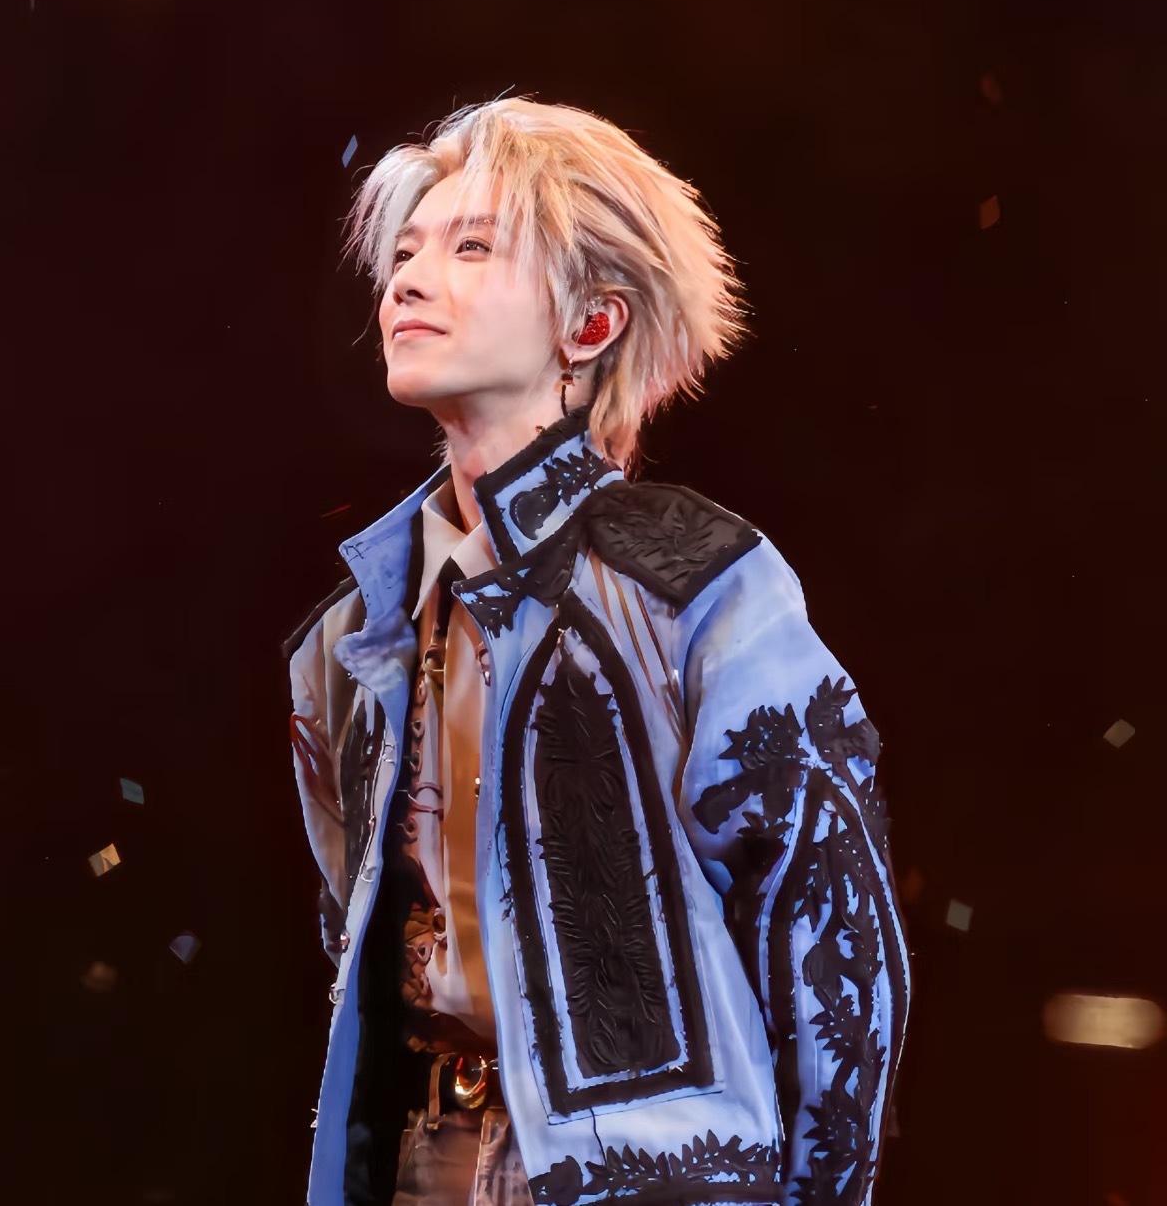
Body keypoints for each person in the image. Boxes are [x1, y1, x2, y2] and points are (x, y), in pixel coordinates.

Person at [285, 95, 910, 1206]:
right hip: (420, 1160)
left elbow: (834, 954)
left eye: (473, 246)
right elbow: (357, 946)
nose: (409, 281)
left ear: (590, 323)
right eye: (407, 251)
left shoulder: (700, 582)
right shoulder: (348, 636)